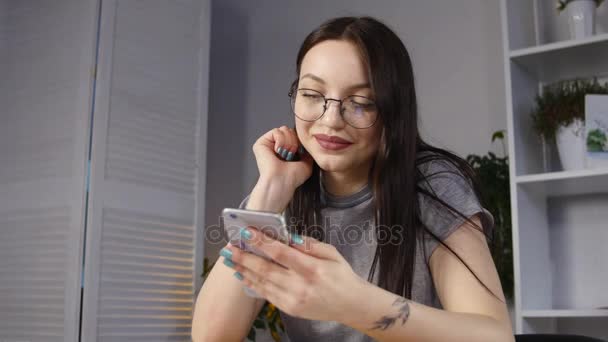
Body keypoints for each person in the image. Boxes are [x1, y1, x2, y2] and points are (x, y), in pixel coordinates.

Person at [192, 16, 513, 342]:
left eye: (360, 102)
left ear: (392, 110)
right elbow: (210, 336)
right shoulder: (287, 188)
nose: (330, 120)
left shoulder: (432, 184)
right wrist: (271, 190)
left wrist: (351, 303)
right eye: (312, 94)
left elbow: (494, 336)